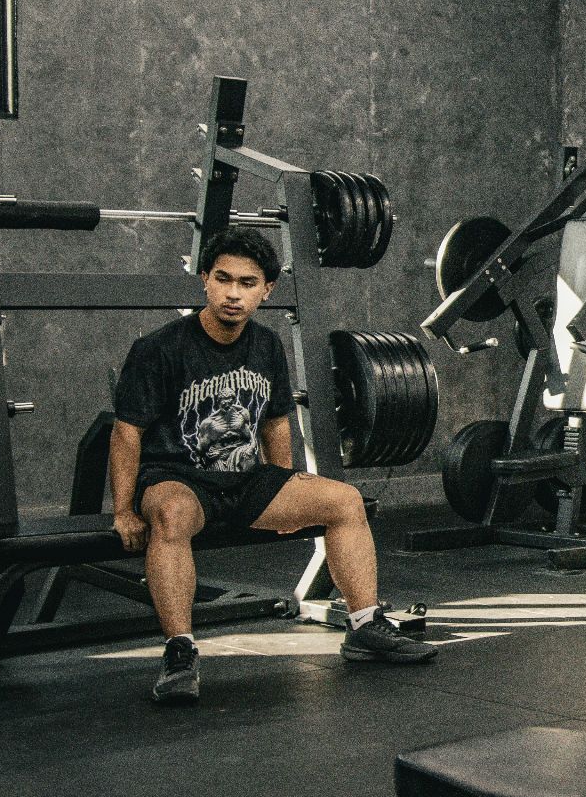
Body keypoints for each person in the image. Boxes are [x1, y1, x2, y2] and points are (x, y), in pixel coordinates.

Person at [111, 227, 436, 704]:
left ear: (267, 291)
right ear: (204, 280)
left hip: (246, 480)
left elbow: (277, 422)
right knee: (171, 515)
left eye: (247, 283)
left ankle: (364, 626)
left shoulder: (265, 345)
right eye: (223, 279)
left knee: (344, 501)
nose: (233, 294)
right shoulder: (158, 349)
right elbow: (126, 433)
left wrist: (279, 483)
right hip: (179, 480)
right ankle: (180, 651)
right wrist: (123, 510)